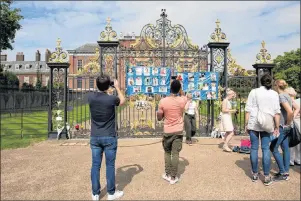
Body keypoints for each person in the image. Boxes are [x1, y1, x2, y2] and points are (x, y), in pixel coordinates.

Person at [88, 74, 126, 201]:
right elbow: (123, 101)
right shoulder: (111, 99)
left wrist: (102, 86)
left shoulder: (91, 98)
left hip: (95, 136)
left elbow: (96, 92)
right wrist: (117, 87)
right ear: (108, 86)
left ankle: (95, 194)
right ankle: (111, 193)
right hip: (109, 136)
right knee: (110, 165)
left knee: (95, 165)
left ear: (97, 85)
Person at [245, 74, 281, 186]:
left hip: (254, 122)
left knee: (254, 148)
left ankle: (255, 174)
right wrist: (277, 127)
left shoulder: (254, 92)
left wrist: (246, 124)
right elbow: (276, 112)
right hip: (267, 123)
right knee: (265, 149)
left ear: (260, 81)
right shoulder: (274, 94)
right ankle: (266, 176)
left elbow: (248, 110)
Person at [157, 80, 187, 185]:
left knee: (167, 152)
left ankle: (168, 174)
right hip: (178, 130)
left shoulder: (163, 101)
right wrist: (180, 89)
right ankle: (173, 177)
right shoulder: (182, 100)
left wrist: (161, 114)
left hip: (168, 131)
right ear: (179, 89)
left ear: (170, 89)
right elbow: (184, 96)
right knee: (175, 154)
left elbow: (159, 118)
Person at [272, 79, 294, 181]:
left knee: (273, 148)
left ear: (276, 85)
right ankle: (286, 173)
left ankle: (282, 172)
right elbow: (296, 108)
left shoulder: (281, 96)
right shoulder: (287, 95)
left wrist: (287, 124)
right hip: (286, 126)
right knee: (285, 149)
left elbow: (290, 112)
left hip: (282, 126)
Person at [285, 87, 300, 166]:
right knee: (297, 142)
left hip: (291, 123)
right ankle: (297, 159)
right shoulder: (296, 101)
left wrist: (292, 116)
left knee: (290, 142)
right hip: (296, 122)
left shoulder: (289, 101)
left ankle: (290, 160)